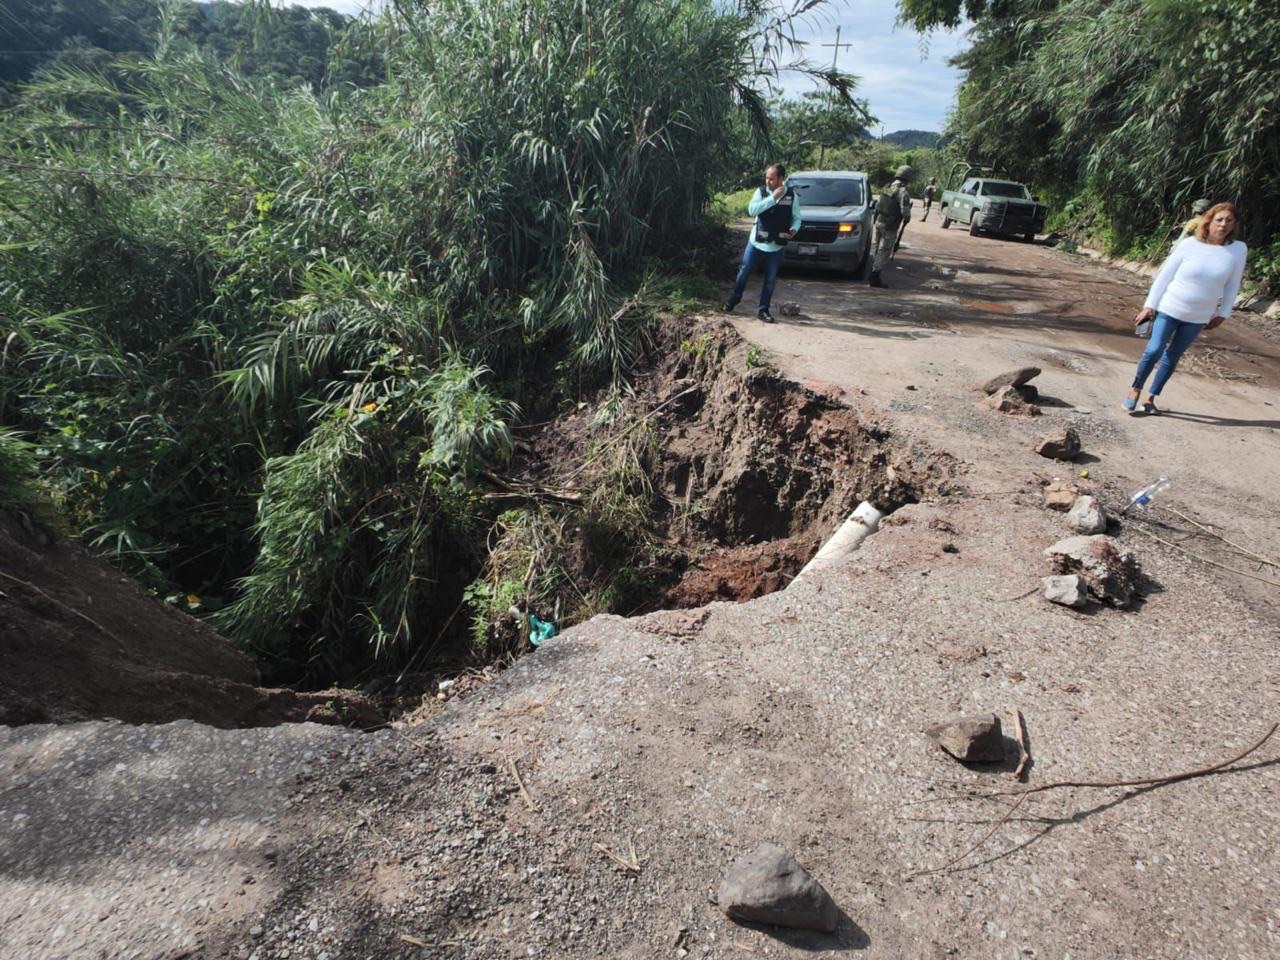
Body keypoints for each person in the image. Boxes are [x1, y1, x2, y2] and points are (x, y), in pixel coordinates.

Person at [1125, 202, 1247, 414]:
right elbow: (1164, 275)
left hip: (1199, 316)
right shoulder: (1190, 244)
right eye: (1219, 219)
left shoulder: (1238, 249)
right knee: (1154, 350)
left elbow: (1233, 284)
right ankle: (1135, 389)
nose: (1224, 224)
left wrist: (1224, 313)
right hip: (1170, 308)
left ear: (1235, 224)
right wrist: (1149, 306)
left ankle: (1151, 398)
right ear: (1209, 221)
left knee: (1172, 357)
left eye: (1229, 220)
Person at [723, 163, 801, 323]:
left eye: (771, 179)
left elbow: (797, 217)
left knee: (770, 279)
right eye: (766, 177)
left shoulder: (792, 195)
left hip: (777, 244)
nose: (767, 181)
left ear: (780, 178)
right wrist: (773, 199)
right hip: (756, 242)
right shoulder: (761, 192)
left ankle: (763, 310)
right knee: (744, 272)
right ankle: (733, 300)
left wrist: (794, 229)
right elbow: (752, 210)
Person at [869, 165, 913, 288]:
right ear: (907, 178)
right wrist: (907, 217)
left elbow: (879, 205)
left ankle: (873, 271)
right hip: (890, 226)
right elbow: (905, 211)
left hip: (879, 221)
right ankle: (874, 276)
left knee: (877, 248)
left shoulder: (888, 187)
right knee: (884, 251)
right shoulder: (902, 192)